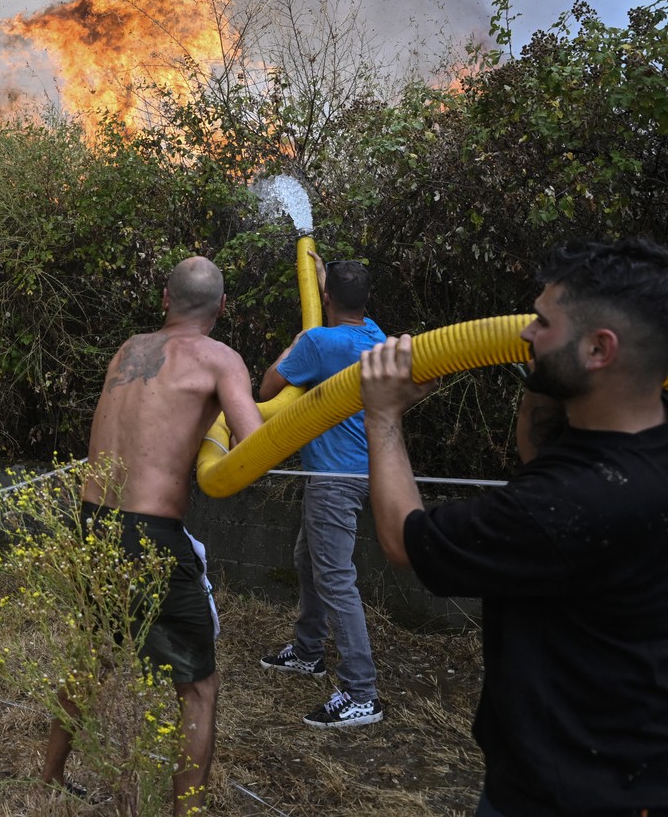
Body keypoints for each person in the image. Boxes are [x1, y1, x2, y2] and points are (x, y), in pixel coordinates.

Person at [361, 237, 668, 815]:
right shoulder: (637, 449)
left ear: (600, 349)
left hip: (564, 795)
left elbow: (404, 539)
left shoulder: (567, 506)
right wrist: (545, 372)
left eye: (543, 324)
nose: (525, 333)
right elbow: (541, 451)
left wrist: (382, 413)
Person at [42, 255, 264, 815]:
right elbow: (256, 447)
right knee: (197, 689)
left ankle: (48, 776)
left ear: (164, 298)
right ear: (220, 308)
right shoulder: (221, 360)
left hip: (92, 521)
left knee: (93, 654)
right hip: (150, 535)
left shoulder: (128, 349)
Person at [257, 254, 387, 728]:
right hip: (361, 472)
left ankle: (360, 692)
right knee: (307, 560)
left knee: (336, 579)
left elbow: (270, 388)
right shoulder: (375, 335)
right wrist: (325, 276)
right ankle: (308, 651)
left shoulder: (318, 343)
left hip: (334, 478)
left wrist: (295, 343)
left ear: (325, 298)